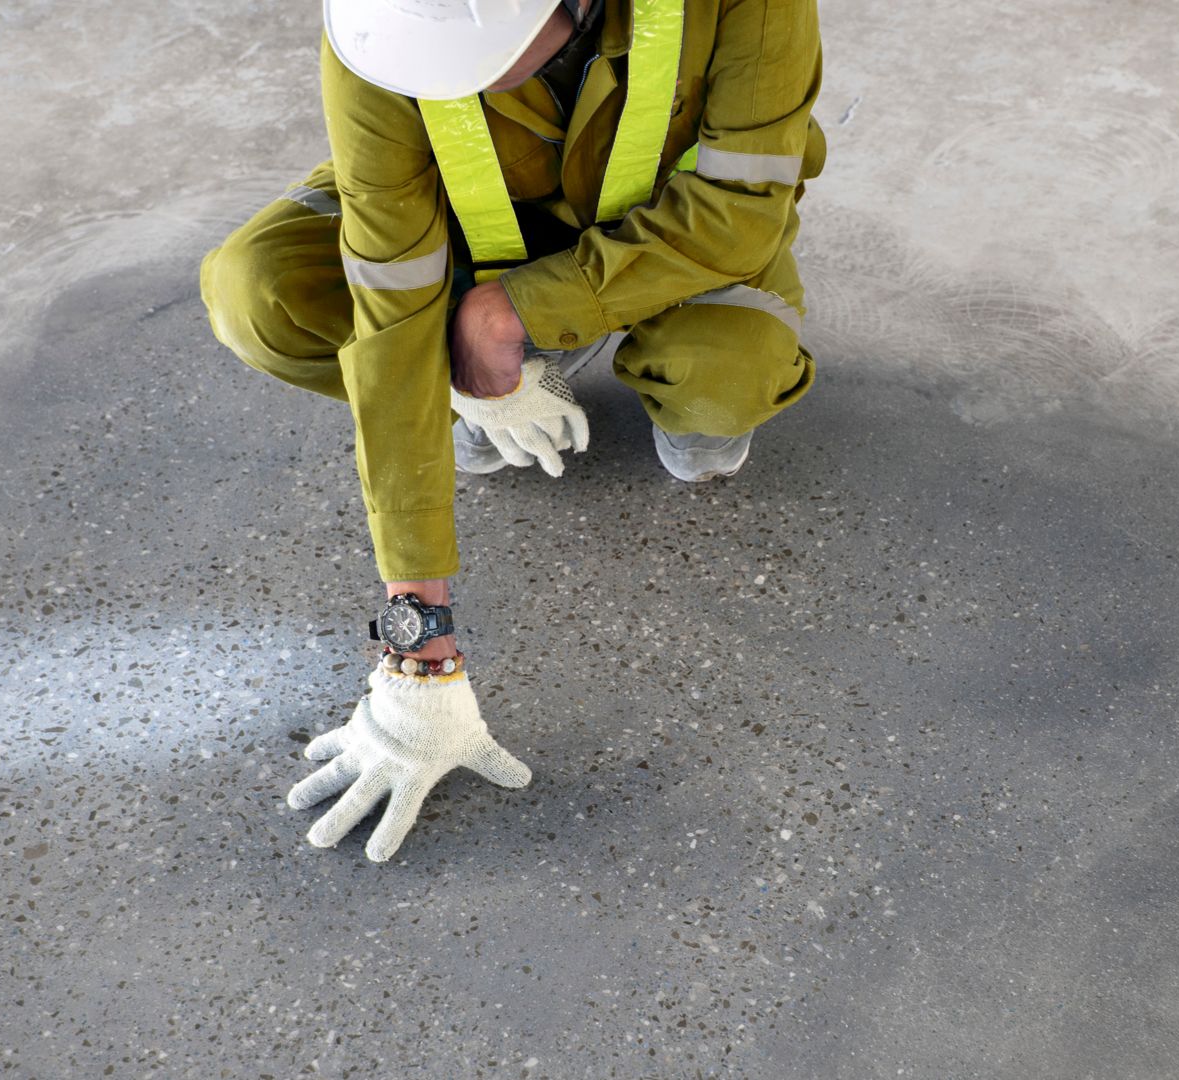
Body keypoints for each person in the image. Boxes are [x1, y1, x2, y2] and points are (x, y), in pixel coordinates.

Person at [198, 0, 824, 862]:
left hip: (670, 240)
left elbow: (736, 208)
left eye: (478, 55)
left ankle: (537, 357)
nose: (457, 81)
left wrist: (516, 309)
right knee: (258, 293)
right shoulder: (381, 35)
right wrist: (420, 646)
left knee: (721, 389)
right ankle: (473, 384)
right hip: (470, 232)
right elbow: (388, 294)